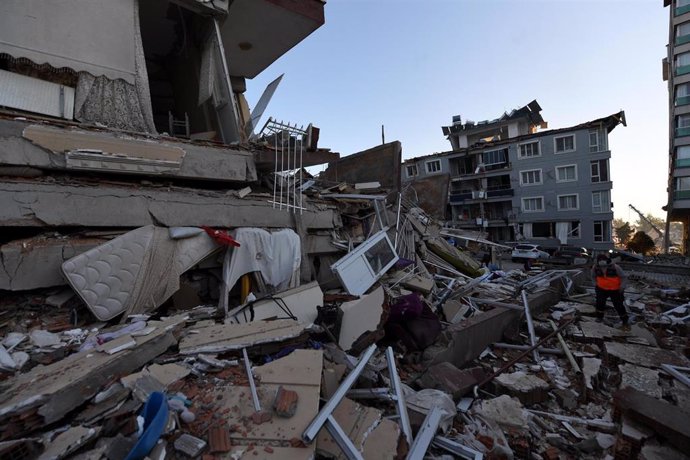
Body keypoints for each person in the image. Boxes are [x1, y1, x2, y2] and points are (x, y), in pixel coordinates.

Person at [591, 253, 629, 330]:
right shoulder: (596, 267)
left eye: (603, 260)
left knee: (618, 305)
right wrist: (595, 284)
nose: (602, 262)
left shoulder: (615, 267)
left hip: (615, 290)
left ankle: (625, 320)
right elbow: (593, 276)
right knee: (600, 303)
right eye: (600, 260)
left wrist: (622, 286)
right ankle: (599, 317)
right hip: (601, 288)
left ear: (607, 260)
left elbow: (623, 277)